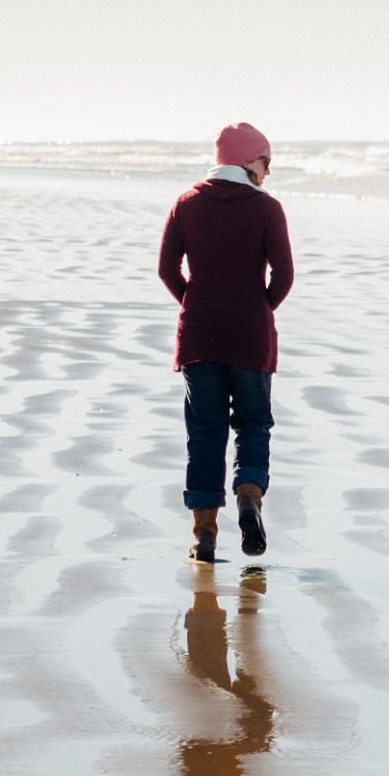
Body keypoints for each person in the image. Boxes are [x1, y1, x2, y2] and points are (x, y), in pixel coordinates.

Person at [158, 123, 293, 563]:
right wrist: (258, 309)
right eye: (265, 161)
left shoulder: (186, 204)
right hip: (250, 337)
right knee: (254, 424)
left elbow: (167, 270)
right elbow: (285, 276)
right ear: (245, 159)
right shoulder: (267, 209)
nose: (268, 171)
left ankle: (204, 535)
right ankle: (249, 497)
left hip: (200, 336)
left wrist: (194, 304)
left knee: (205, 433)